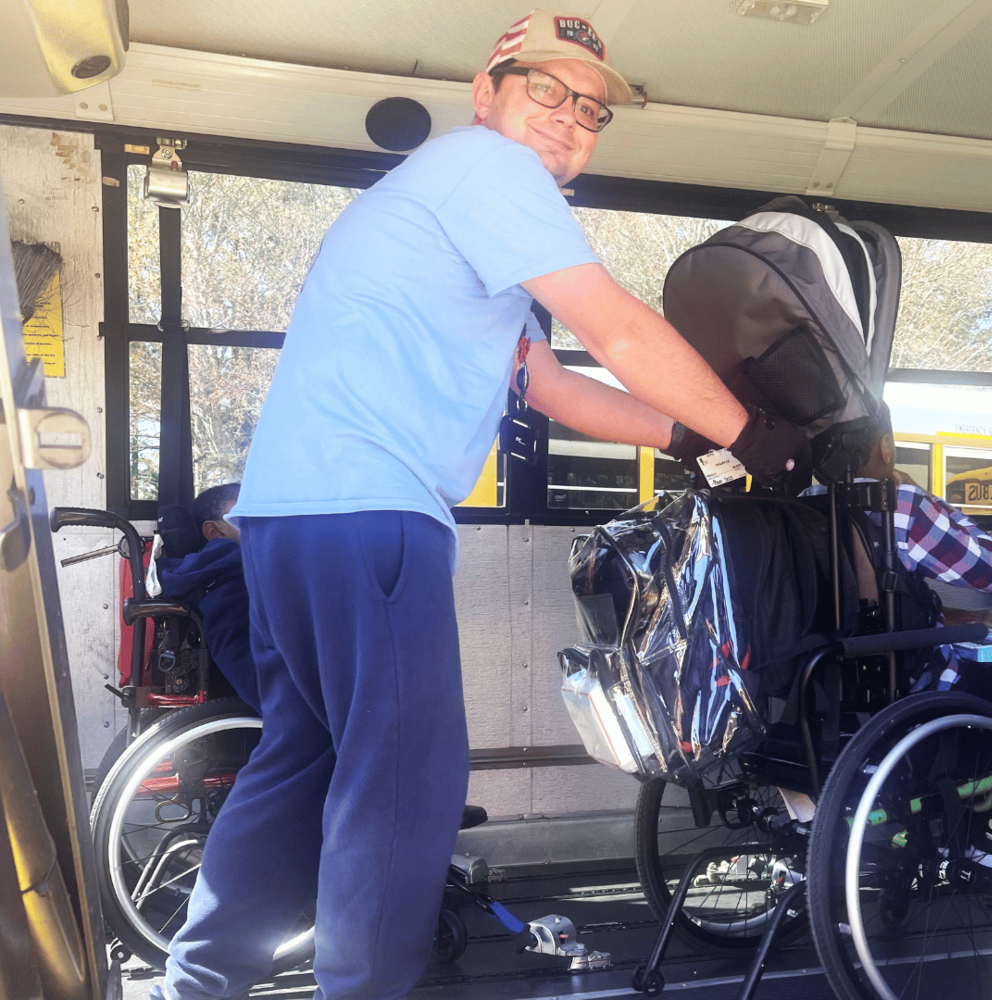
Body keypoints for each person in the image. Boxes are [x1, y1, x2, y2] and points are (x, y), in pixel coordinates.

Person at [156, 11, 809, 1000]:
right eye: (544, 90)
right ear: (486, 91)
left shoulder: (459, 203)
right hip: (369, 510)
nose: (567, 120)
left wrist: (685, 437)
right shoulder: (486, 171)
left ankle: (192, 985)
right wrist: (756, 439)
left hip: (289, 517)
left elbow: (546, 384)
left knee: (303, 759)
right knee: (406, 782)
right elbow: (620, 328)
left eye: (590, 109)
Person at [806, 401, 992, 691]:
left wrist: (944, 614)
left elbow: (860, 603)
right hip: (919, 682)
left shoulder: (807, 501)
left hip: (829, 679)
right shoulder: (903, 507)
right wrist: (926, 496)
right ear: (885, 446)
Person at [156, 483, 261, 713]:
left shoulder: (232, 568)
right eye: (248, 516)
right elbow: (250, 668)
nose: (263, 522)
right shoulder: (231, 570)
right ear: (215, 532)